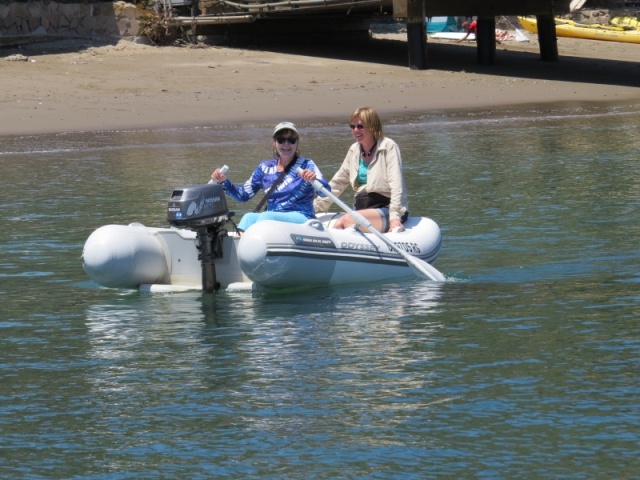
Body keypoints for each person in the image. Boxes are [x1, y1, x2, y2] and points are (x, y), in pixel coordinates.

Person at [210, 121, 330, 233]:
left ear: (297, 142)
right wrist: (224, 182)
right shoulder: (264, 168)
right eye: (281, 140)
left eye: (291, 140)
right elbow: (243, 196)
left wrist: (314, 180)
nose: (286, 144)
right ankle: (237, 249)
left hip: (302, 216)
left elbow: (326, 193)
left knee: (266, 216)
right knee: (248, 217)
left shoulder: (307, 164)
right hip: (271, 219)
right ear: (274, 142)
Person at [313, 107, 408, 233]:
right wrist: (315, 206)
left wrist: (395, 217)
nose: (355, 130)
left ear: (373, 126)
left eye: (360, 126)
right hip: (361, 208)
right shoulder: (354, 150)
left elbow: (397, 185)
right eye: (352, 126)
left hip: (386, 208)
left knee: (346, 220)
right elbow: (338, 183)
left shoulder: (389, 147)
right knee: (341, 223)